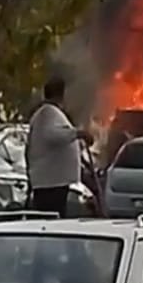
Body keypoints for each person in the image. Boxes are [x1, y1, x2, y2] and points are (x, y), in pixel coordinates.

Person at [26, 76, 93, 217]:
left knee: (54, 217)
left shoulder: (49, 113)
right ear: (61, 94)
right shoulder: (48, 113)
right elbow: (52, 135)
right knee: (49, 219)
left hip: (53, 180)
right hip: (49, 182)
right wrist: (78, 133)